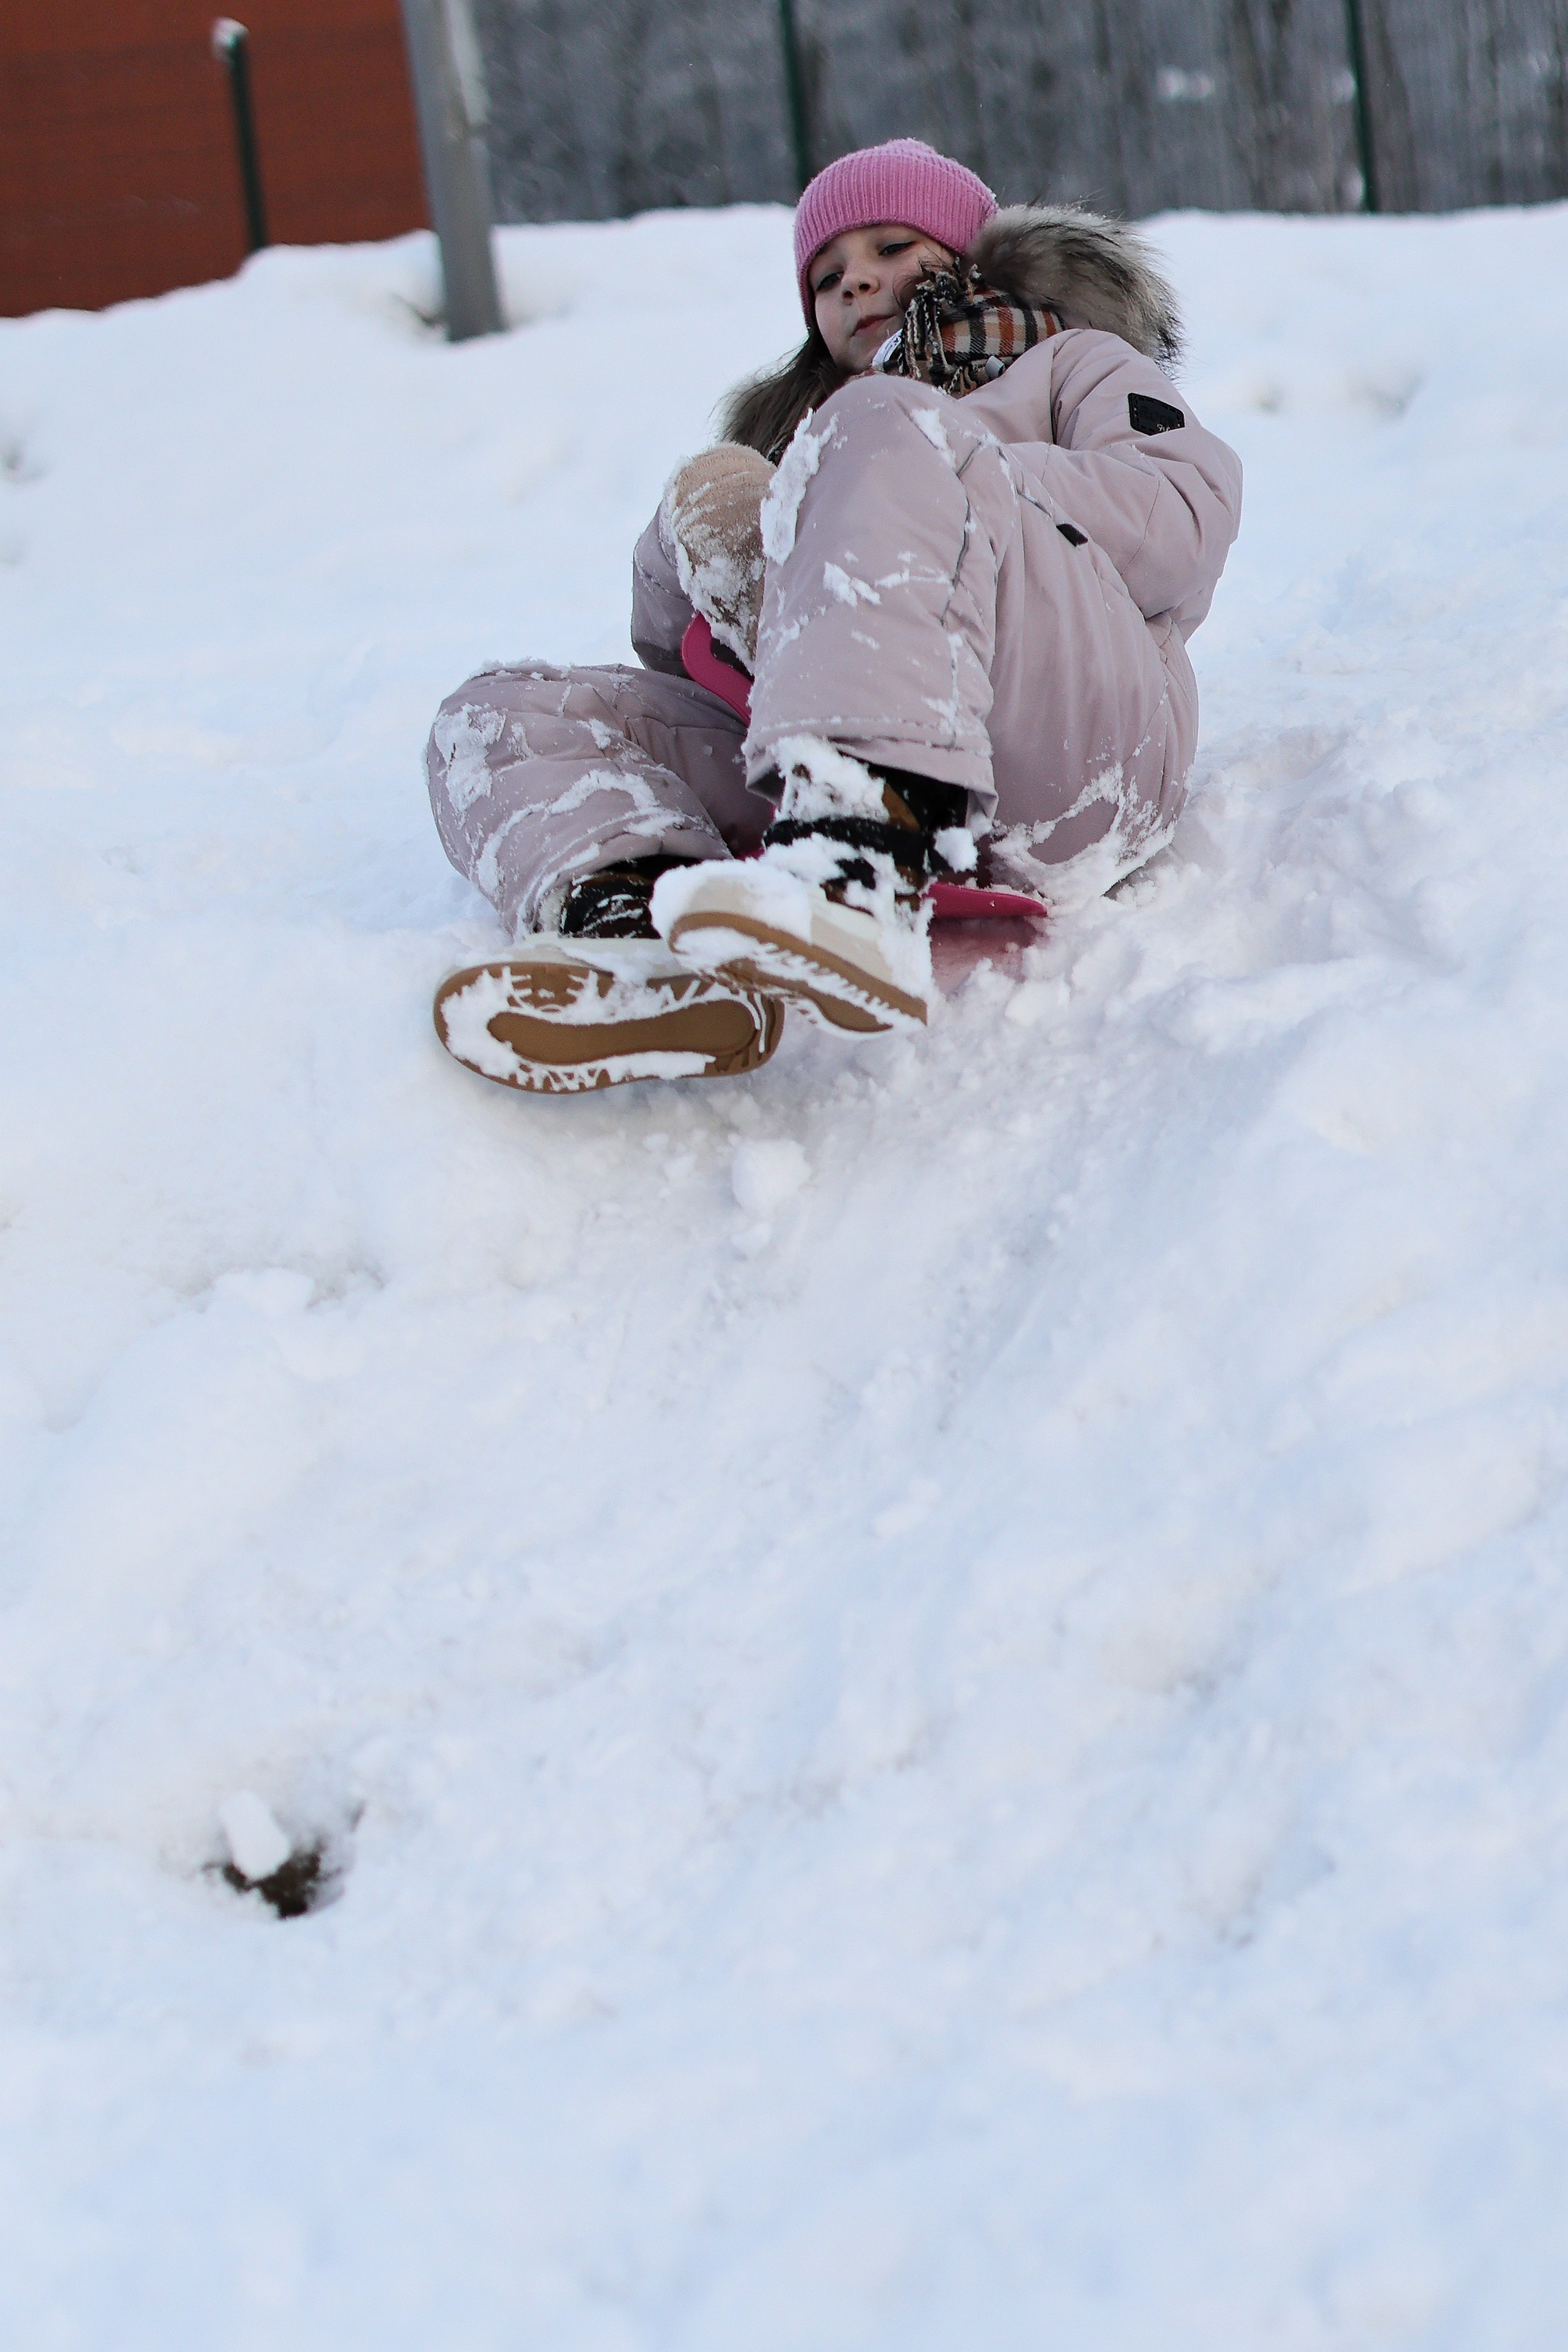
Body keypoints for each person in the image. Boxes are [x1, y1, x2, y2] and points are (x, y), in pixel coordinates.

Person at [425, 138, 1243, 1094]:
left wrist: (932, 474)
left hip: (1077, 752)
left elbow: (1181, 519)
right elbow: (669, 654)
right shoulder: (816, 433)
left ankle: (864, 847)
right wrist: (717, 516)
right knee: (503, 713)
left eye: (893, 246)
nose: (858, 281)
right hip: (818, 747)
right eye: (826, 276)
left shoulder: (1070, 364)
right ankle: (638, 945)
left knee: (880, 427)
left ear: (978, 255)